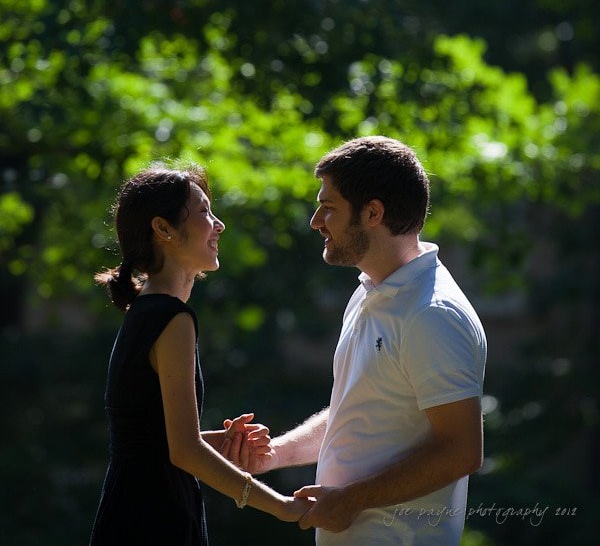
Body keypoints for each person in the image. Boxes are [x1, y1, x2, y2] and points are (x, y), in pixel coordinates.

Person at [244, 136, 487, 544]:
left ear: (373, 212)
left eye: (329, 207)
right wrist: (276, 454)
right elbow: (358, 412)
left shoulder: (433, 314)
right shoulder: (369, 291)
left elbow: (462, 450)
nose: (315, 220)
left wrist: (351, 500)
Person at [89, 162, 311, 546]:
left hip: (130, 514)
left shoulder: (145, 310)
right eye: (205, 212)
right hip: (156, 522)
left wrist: (217, 442)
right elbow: (184, 452)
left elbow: (152, 442)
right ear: (163, 229)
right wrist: (282, 506)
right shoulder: (172, 319)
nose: (219, 224)